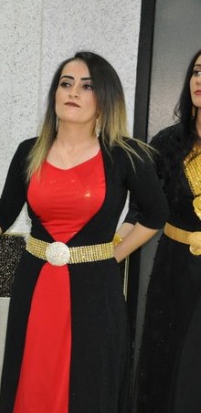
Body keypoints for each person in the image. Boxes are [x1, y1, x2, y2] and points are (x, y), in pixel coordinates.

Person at [0, 51, 168, 413]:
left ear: (105, 99)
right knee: (32, 379)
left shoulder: (125, 156)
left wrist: (113, 254)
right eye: (66, 83)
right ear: (55, 93)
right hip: (35, 285)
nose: (73, 92)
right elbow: (2, 216)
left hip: (95, 292)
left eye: (87, 86)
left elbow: (156, 213)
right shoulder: (29, 151)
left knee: (88, 386)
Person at [133, 49, 201, 413]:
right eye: (197, 72)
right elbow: (142, 206)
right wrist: (116, 245)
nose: (200, 80)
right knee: (167, 361)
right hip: (174, 269)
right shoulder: (166, 142)